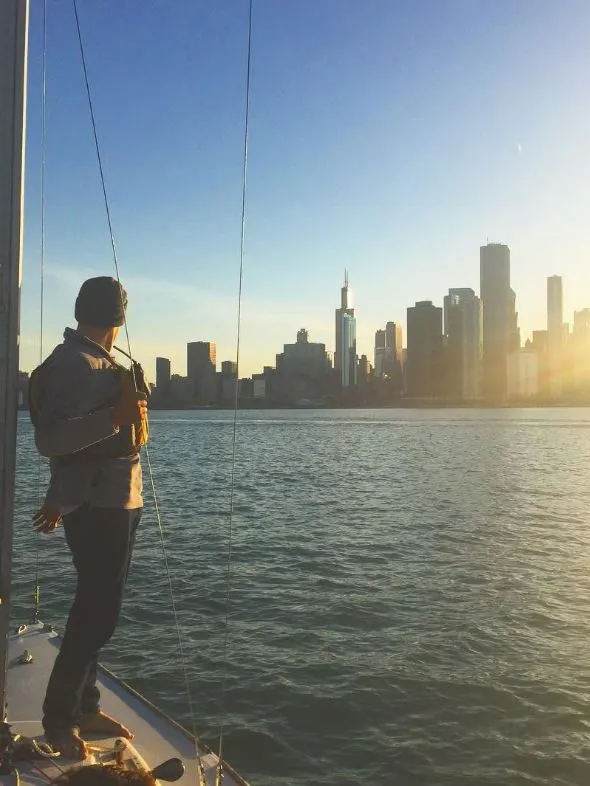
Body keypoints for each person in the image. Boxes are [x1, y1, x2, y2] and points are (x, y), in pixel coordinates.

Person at [29, 276, 149, 760]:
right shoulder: (74, 364)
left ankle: (85, 707)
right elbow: (52, 441)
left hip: (116, 502)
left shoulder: (99, 361)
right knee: (95, 618)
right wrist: (117, 419)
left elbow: (75, 448)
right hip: (100, 508)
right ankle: (60, 721)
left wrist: (59, 495)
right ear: (119, 318)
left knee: (97, 611)